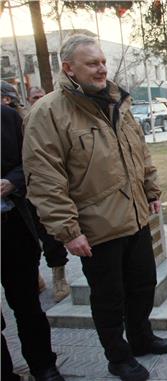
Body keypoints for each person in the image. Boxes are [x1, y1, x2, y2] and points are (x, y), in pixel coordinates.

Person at [22, 34, 167, 381]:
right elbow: (45, 179)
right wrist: (69, 231)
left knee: (143, 284)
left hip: (135, 215)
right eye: (92, 63)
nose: (102, 68)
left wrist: (151, 189)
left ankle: (141, 338)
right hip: (95, 226)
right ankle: (118, 357)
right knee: (109, 297)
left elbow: (139, 150)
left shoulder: (117, 102)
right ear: (69, 68)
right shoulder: (47, 113)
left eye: (103, 61)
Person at [2, 104, 65, 381]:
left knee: (27, 305)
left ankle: (44, 367)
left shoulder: (7, 116)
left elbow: (30, 161)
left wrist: (12, 182)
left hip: (12, 230)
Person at [2, 82, 70, 301]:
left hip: (39, 188)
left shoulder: (20, 119)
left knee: (50, 235)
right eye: (34, 98)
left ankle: (58, 276)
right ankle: (35, 275)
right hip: (20, 196)